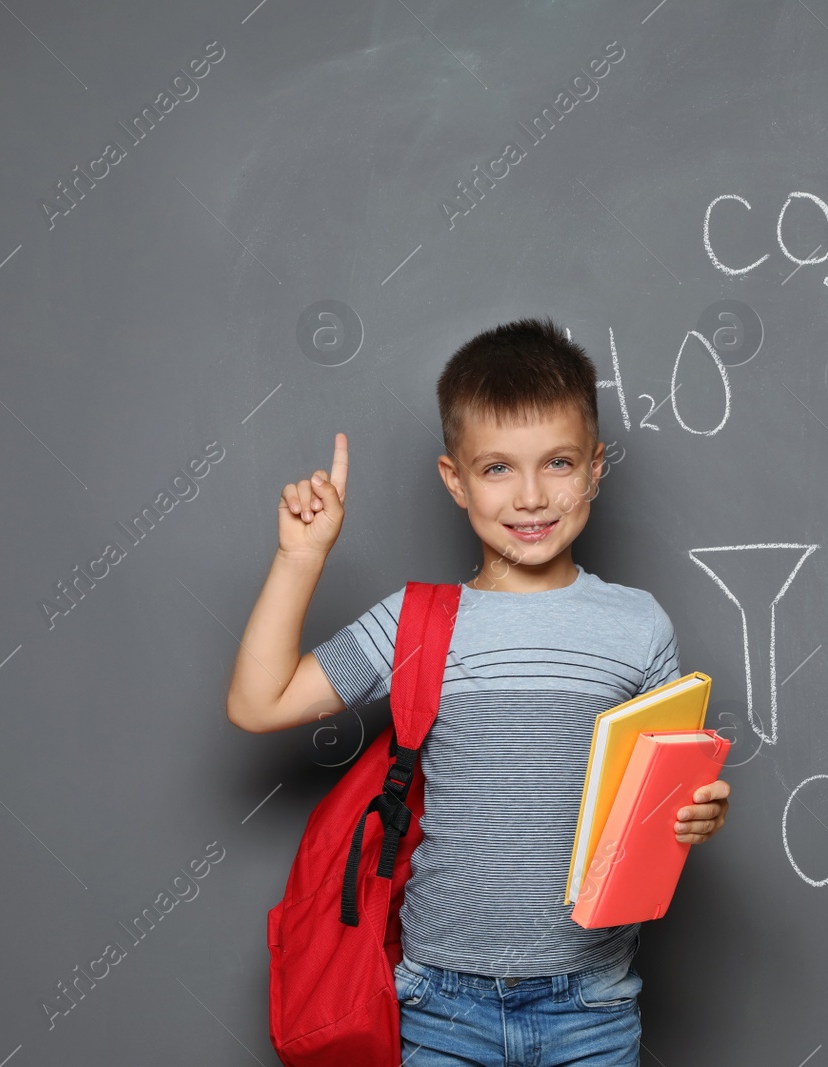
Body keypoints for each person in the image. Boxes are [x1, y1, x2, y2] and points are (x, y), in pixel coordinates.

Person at [226, 315, 731, 1066]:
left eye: (557, 462)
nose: (531, 495)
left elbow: (660, 803)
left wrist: (698, 814)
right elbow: (258, 702)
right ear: (454, 479)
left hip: (591, 1005)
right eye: (497, 468)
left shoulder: (637, 626)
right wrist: (301, 557)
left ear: (595, 467)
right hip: (441, 1006)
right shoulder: (419, 621)